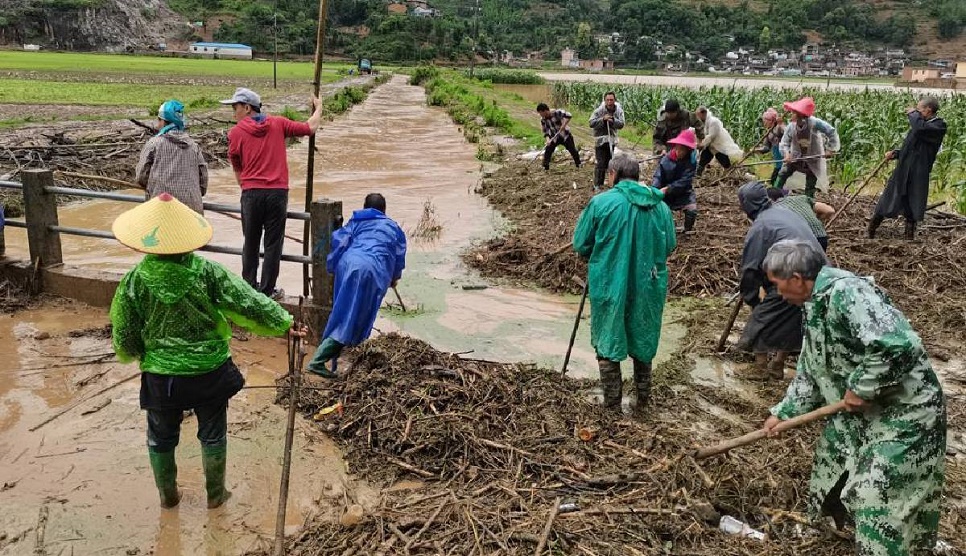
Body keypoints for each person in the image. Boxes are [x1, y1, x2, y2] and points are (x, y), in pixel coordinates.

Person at [109, 193, 295, 510]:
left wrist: (143, 354)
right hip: (209, 371)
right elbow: (248, 301)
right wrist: (284, 324)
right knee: (212, 434)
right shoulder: (208, 272)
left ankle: (168, 497)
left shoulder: (134, 281)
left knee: (161, 437)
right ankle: (215, 495)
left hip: (162, 377)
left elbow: (125, 333)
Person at [762, 239, 946, 556]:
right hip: (861, 416)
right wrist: (784, 412)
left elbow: (899, 344)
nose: (778, 293)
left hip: (904, 415)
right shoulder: (813, 304)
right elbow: (811, 369)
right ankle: (842, 532)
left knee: (879, 496)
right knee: (829, 469)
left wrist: (861, 386)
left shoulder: (849, 292)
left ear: (796, 278)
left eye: (778, 285)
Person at [573, 154, 676, 410]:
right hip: (649, 284)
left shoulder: (601, 203)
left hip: (610, 282)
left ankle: (612, 406)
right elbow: (670, 245)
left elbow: (581, 243)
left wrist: (602, 255)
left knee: (609, 336)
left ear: (613, 174)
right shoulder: (660, 207)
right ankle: (643, 403)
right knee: (643, 335)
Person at [223, 87, 323, 299]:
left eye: (235, 107)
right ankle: (267, 292)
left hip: (251, 193)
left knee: (250, 243)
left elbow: (237, 168)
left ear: (247, 108)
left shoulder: (235, 133)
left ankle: (249, 289)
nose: (233, 112)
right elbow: (310, 127)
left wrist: (247, 188)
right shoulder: (278, 123)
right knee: (273, 245)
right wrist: (319, 107)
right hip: (277, 193)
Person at [306, 193, 407, 377]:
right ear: (384, 210)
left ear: (365, 206)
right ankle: (318, 361)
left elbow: (339, 241)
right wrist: (394, 277)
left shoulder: (356, 221)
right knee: (356, 317)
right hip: (371, 270)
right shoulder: (393, 228)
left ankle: (343, 359)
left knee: (343, 312)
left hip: (348, 264)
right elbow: (398, 256)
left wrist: (333, 266)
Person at [736, 181, 826, 378]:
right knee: (793, 316)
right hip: (817, 272)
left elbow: (750, 270)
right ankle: (777, 364)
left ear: (747, 205)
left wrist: (752, 299)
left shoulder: (761, 226)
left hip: (796, 273)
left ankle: (760, 368)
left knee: (762, 317)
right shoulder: (784, 212)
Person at [868, 97, 947, 241]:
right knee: (887, 200)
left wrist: (912, 113)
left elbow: (920, 129)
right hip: (903, 171)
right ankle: (871, 230)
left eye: (919, 109)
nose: (916, 112)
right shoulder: (920, 126)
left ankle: (908, 237)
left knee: (912, 204)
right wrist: (896, 153)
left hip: (918, 173)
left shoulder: (938, 126)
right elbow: (910, 147)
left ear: (928, 109)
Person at [135, 100, 208, 214]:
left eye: (159, 120)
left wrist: (154, 188)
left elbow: (141, 176)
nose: (157, 124)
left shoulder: (154, 144)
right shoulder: (194, 146)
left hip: (161, 208)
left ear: (164, 122)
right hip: (191, 211)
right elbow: (203, 180)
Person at [773, 97, 840, 199]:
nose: (791, 115)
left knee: (810, 182)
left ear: (800, 115)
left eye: (793, 113)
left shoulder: (815, 123)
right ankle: (774, 195)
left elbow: (831, 131)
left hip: (813, 157)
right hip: (795, 156)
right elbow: (784, 142)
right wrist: (786, 154)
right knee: (783, 173)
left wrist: (830, 149)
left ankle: (809, 202)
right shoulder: (791, 126)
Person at [652, 128, 699, 233]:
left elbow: (685, 181)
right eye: (678, 148)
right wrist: (655, 189)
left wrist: (669, 188)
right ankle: (663, 225)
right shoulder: (666, 159)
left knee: (692, 210)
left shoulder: (691, 162)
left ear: (688, 150)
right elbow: (658, 176)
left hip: (683, 192)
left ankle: (687, 229)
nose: (679, 152)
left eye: (682, 150)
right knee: (656, 208)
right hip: (665, 192)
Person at [766, 188, 835, 251]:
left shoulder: (773, 208)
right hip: (821, 237)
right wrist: (817, 220)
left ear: (769, 199)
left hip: (800, 243)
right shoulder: (801, 198)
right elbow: (829, 210)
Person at [588, 91, 625, 189]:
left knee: (610, 162)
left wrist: (613, 120)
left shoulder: (618, 111)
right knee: (600, 163)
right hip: (600, 140)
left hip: (611, 140)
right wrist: (603, 120)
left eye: (611, 100)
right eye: (607, 100)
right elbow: (591, 123)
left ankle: (611, 183)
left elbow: (621, 124)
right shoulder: (599, 111)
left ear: (614, 100)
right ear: (604, 101)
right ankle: (597, 185)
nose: (609, 102)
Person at [694, 106, 742, 177]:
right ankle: (698, 174)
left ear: (704, 113)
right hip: (710, 145)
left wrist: (702, 144)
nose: (697, 117)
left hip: (718, 145)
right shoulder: (703, 122)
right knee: (703, 159)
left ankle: (730, 174)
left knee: (723, 159)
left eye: (698, 115)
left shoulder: (714, 122)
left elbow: (711, 136)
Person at [537, 103, 581, 171]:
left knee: (572, 150)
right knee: (548, 150)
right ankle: (546, 167)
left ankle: (578, 164)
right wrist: (548, 140)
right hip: (554, 137)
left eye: (541, 113)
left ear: (545, 111)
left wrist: (563, 125)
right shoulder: (543, 120)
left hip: (565, 135)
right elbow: (545, 131)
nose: (540, 115)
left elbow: (569, 115)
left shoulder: (557, 112)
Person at [756, 107, 786, 186]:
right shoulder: (768, 133)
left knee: (778, 178)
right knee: (776, 178)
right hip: (777, 158)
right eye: (763, 121)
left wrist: (781, 124)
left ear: (771, 121)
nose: (764, 123)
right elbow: (766, 148)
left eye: (765, 121)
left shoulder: (778, 128)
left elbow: (788, 133)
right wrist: (756, 150)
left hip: (784, 155)